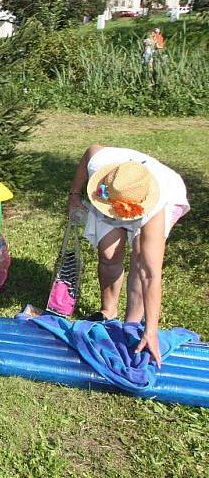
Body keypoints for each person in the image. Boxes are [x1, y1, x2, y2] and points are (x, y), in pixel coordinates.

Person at [67, 144, 190, 368]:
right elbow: (90, 151)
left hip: (153, 195)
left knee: (141, 259)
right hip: (115, 191)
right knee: (108, 253)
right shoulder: (101, 164)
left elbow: (150, 275)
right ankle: (108, 311)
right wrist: (74, 194)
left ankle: (132, 325)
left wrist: (151, 330)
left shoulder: (157, 207)